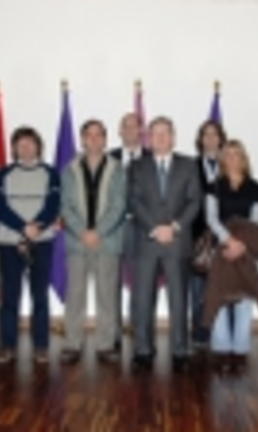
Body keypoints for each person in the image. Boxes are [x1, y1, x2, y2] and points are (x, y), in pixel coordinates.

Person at [128, 116, 200, 371]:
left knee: (179, 299)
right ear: (148, 137)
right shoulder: (137, 166)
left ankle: (180, 352)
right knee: (143, 299)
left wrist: (175, 227)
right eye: (155, 133)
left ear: (173, 137)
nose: (160, 137)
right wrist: (154, 228)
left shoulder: (189, 165)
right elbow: (134, 201)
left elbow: (194, 201)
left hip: (177, 241)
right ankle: (143, 351)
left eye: (165, 133)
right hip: (147, 241)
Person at [60, 120, 127, 364]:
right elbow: (65, 206)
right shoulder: (70, 169)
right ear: (83, 139)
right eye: (90, 135)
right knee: (75, 294)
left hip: (106, 241)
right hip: (77, 242)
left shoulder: (117, 168)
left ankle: (105, 344)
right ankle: (72, 343)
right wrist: (82, 232)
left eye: (99, 135)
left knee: (106, 295)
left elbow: (119, 205)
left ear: (105, 140)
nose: (95, 139)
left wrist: (98, 232)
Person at [0, 126, 60, 365]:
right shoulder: (2, 174)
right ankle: (7, 345)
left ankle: (41, 346)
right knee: (10, 296)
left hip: (41, 242)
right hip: (9, 243)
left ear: (38, 146)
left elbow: (53, 205)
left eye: (30, 143)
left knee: (39, 296)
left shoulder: (50, 173)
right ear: (13, 148)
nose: (25, 147)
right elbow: (0, 209)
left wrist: (36, 228)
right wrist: (23, 228)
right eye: (20, 144)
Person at [205, 139, 258, 370]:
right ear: (222, 160)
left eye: (236, 154)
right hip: (220, 249)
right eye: (227, 154)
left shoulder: (255, 187)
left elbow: (257, 219)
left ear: (243, 158)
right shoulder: (214, 186)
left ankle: (240, 352)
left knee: (244, 300)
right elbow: (211, 218)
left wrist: (242, 243)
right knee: (219, 299)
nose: (232, 158)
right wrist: (228, 240)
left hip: (246, 250)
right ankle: (222, 350)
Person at [108, 113, 151, 345]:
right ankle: (113, 332)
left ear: (142, 131)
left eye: (135, 126)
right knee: (111, 280)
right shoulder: (108, 158)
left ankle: (138, 330)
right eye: (126, 126)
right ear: (120, 131)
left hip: (143, 228)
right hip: (113, 228)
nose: (131, 130)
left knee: (141, 281)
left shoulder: (152, 157)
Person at [190, 120, 226, 351]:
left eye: (215, 135)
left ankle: (220, 335)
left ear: (221, 139)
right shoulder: (188, 166)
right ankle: (200, 336)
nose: (210, 139)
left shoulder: (230, 165)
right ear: (200, 140)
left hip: (224, 236)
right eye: (206, 135)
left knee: (222, 289)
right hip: (196, 237)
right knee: (197, 289)